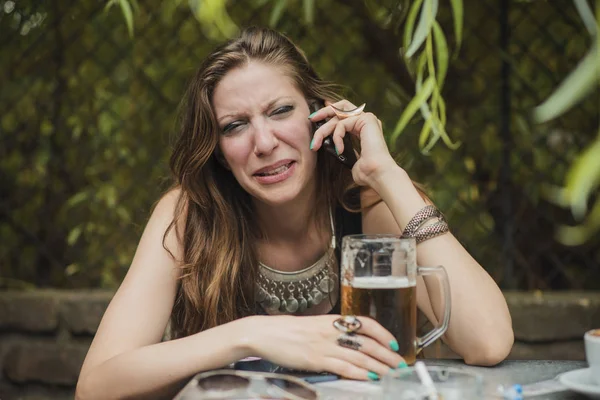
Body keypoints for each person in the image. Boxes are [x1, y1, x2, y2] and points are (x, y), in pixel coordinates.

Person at [75, 26, 514, 399]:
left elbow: (489, 342)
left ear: (316, 114)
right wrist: (251, 334)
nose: (263, 143)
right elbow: (95, 386)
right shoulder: (193, 215)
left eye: (280, 111)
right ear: (220, 153)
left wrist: (387, 174)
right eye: (235, 125)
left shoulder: (364, 208)